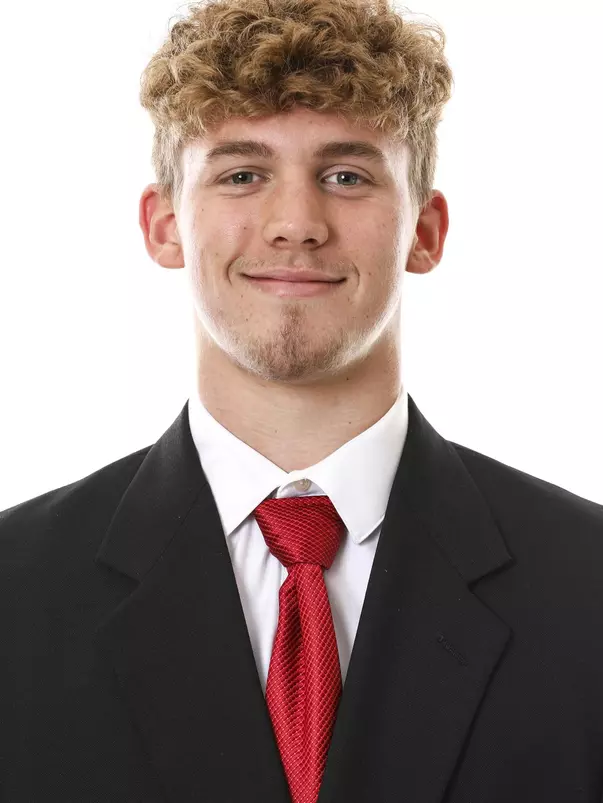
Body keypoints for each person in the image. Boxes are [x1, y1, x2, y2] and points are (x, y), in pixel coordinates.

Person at [1, 0, 602, 800]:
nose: (295, 223)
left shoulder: (587, 586)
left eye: (346, 175)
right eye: (242, 174)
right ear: (164, 226)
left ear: (424, 231)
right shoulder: (16, 590)